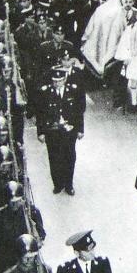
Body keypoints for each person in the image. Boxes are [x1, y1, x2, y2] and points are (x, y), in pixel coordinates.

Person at [36, 66, 85, 195]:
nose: (57, 84)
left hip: (69, 131)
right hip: (52, 132)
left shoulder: (73, 91)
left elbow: (79, 112)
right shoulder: (45, 92)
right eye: (54, 81)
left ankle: (69, 185)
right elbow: (40, 114)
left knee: (69, 157)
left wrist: (80, 129)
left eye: (59, 81)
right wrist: (40, 132)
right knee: (54, 157)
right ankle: (58, 184)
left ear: (64, 80)